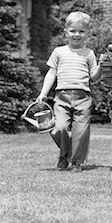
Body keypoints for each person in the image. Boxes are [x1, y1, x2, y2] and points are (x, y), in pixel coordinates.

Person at [37, 11, 104, 172]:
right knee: (59, 128)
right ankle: (64, 154)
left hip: (83, 97)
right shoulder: (59, 52)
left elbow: (94, 77)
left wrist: (102, 65)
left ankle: (77, 163)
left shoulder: (89, 53)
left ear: (87, 33)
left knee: (81, 132)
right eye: (73, 30)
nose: (77, 34)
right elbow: (51, 73)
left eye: (81, 31)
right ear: (65, 31)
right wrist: (43, 93)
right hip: (62, 97)